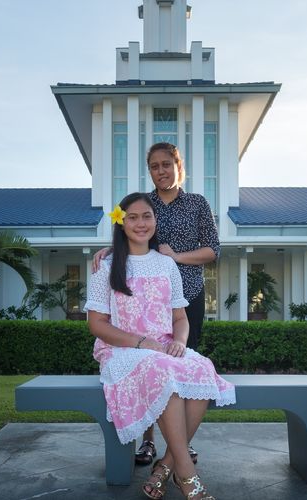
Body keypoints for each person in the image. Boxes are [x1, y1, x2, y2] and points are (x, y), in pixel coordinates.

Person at [85, 192, 235, 500]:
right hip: (123, 349)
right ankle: (188, 475)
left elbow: (180, 318)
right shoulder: (107, 266)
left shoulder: (166, 265)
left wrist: (179, 342)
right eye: (133, 217)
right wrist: (142, 342)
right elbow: (97, 325)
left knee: (201, 368)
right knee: (164, 371)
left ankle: (165, 467)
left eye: (147, 216)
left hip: (163, 347)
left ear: (156, 221)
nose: (141, 223)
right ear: (121, 222)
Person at [92, 142, 221, 465]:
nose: (161, 171)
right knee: (151, 368)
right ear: (149, 171)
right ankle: (148, 441)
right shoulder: (145, 203)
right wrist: (109, 252)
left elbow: (212, 251)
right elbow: (131, 231)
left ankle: (177, 446)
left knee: (179, 365)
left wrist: (176, 257)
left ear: (179, 165)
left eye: (167, 164)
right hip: (141, 300)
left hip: (185, 296)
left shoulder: (196, 204)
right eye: (154, 166)